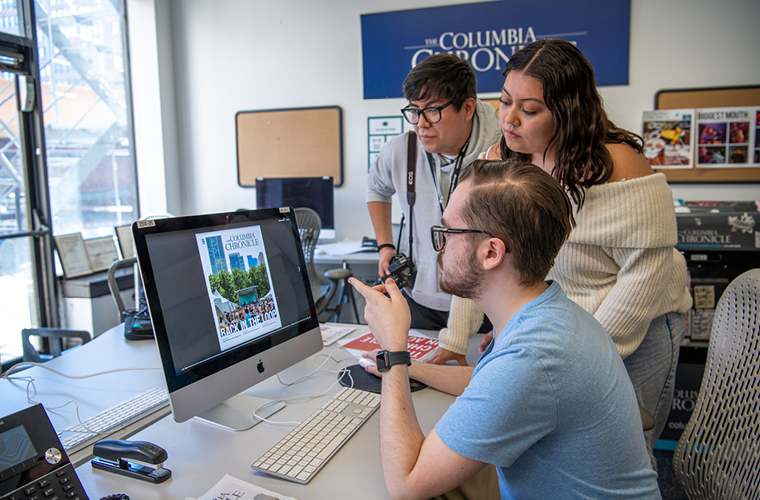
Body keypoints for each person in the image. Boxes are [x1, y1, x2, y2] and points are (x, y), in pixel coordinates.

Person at [429, 39, 692, 465]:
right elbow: (472, 249)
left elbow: (647, 272)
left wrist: (582, 352)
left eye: (529, 110)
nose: (509, 120)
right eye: (506, 101)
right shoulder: (502, 160)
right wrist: (457, 341)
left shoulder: (621, 167)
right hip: (556, 320)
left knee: (619, 451)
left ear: (567, 110)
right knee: (550, 450)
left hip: (634, 326)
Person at [350, 160, 661, 500]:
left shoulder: (533, 356)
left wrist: (394, 350)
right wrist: (411, 369)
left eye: (448, 233)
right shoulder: (547, 312)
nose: (440, 247)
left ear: (491, 252)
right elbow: (489, 381)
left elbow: (405, 485)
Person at [366, 53, 501, 330]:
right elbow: (376, 188)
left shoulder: (502, 151)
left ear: (467, 108)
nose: (421, 123)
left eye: (432, 110)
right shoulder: (402, 149)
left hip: (487, 302)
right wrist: (385, 245)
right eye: (414, 110)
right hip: (419, 298)